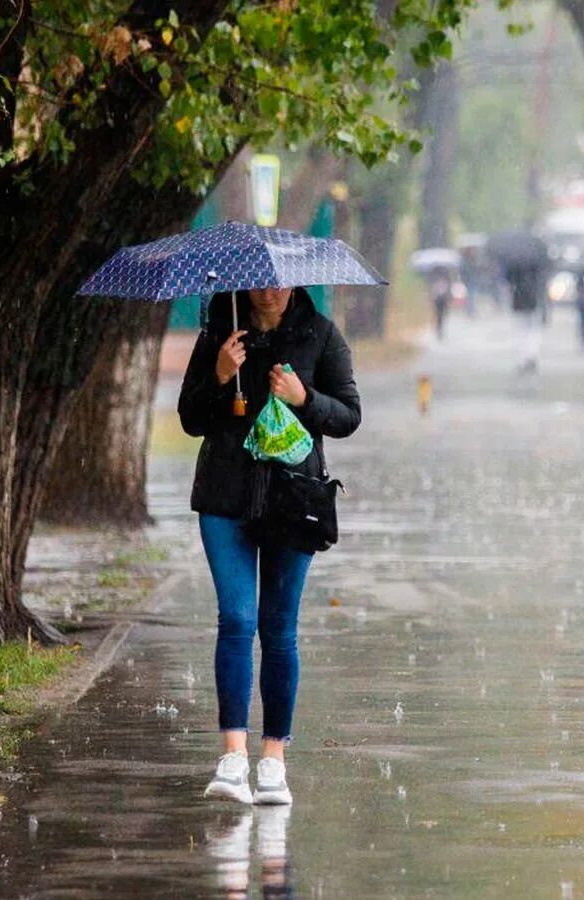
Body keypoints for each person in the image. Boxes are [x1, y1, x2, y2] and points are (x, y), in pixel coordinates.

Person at [178, 285, 361, 805]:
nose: (271, 292)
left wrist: (305, 399)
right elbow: (191, 418)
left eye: (280, 283)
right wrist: (218, 374)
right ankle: (232, 757)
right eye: (261, 283)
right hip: (225, 495)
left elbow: (349, 414)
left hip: (293, 498)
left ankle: (274, 760)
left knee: (278, 627)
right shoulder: (221, 331)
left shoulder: (320, 335)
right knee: (236, 619)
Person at [507, 262, 545, 374]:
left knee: (521, 329)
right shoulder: (537, 266)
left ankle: (523, 358)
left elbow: (508, 280)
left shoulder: (514, 264)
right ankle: (532, 354)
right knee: (533, 329)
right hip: (533, 300)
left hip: (519, 299)